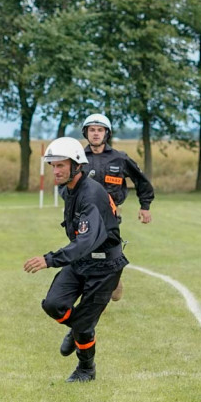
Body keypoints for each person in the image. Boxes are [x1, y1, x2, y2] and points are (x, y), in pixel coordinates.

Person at [23, 137, 127, 383]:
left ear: (76, 165)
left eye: (61, 166)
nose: (55, 171)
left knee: (83, 327)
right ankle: (78, 325)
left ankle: (86, 369)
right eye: (53, 166)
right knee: (53, 304)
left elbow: (85, 241)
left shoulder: (90, 195)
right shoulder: (68, 190)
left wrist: (50, 259)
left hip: (104, 266)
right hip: (81, 261)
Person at [80, 112, 153, 301]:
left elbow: (141, 181)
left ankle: (115, 279)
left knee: (110, 253)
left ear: (107, 134)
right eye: (92, 130)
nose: (95, 134)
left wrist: (145, 206)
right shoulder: (77, 157)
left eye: (100, 130)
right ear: (86, 133)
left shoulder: (120, 158)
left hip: (111, 215)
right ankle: (89, 295)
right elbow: (65, 185)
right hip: (83, 215)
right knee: (83, 253)